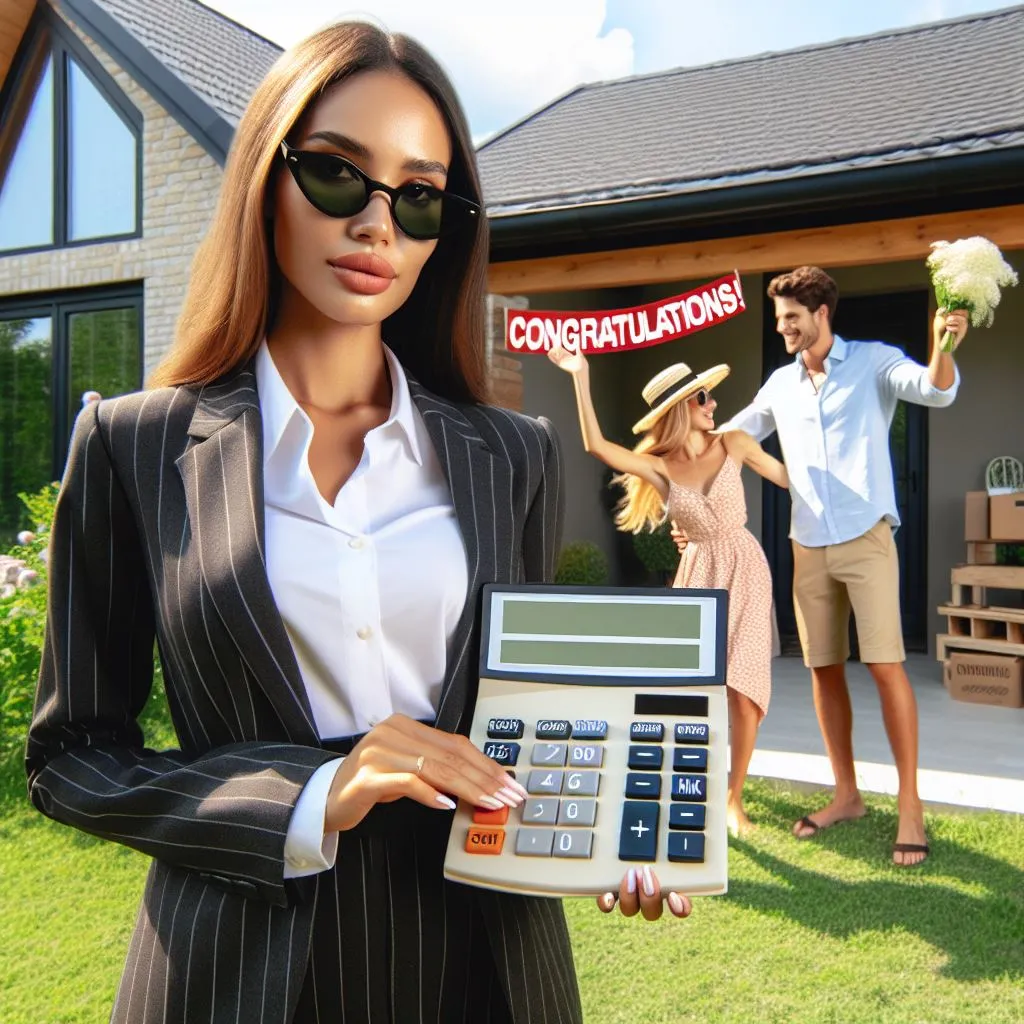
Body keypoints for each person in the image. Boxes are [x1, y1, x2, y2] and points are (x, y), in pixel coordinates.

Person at [25, 23, 688, 1024]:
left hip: (486, 968)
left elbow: (537, 715)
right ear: (266, 180)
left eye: (419, 197)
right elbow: (72, 753)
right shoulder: (132, 446)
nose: (379, 226)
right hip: (232, 969)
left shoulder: (513, 455)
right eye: (338, 176)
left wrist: (611, 831)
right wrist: (308, 793)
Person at [692, 265, 968, 867]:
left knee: (886, 666)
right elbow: (735, 437)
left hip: (866, 537)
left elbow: (936, 389)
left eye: (793, 318)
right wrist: (778, 476)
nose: (785, 328)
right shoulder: (780, 385)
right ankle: (846, 795)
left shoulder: (873, 362)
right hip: (807, 542)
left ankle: (910, 805)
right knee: (823, 669)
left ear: (822, 314)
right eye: (779, 320)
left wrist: (944, 347)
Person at [548, 345, 788, 836]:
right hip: (697, 575)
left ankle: (733, 798)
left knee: (743, 692)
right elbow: (596, 444)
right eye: (703, 398)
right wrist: (580, 374)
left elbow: (789, 478)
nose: (713, 405)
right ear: (682, 408)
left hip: (745, 567)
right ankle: (683, 785)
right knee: (691, 691)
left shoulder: (735, 442)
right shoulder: (659, 469)